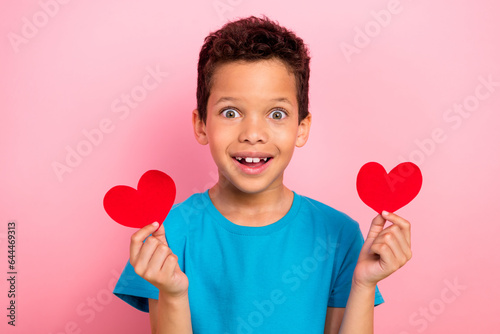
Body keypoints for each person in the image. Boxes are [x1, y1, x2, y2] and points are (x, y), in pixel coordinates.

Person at [113, 15, 412, 334]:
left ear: (301, 128)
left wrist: (364, 285)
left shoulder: (339, 235)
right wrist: (173, 294)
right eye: (231, 112)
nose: (253, 134)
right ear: (201, 125)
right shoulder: (168, 233)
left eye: (276, 114)